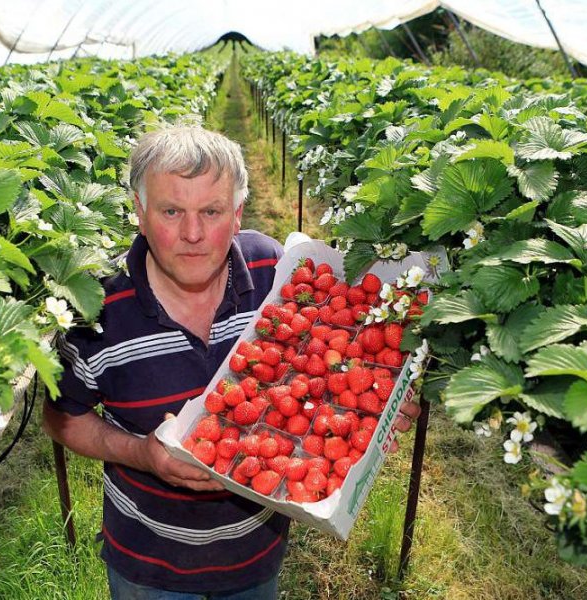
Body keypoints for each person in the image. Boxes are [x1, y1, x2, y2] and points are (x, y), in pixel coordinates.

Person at [42, 124, 421, 599]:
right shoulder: (96, 307)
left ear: (238, 214)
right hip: (147, 562)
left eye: (212, 210)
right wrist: (142, 455)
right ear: (140, 212)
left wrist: (377, 403)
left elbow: (319, 370)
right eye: (171, 210)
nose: (193, 233)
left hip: (255, 551)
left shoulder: (273, 271)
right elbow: (62, 418)